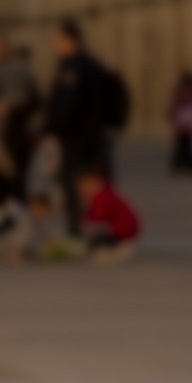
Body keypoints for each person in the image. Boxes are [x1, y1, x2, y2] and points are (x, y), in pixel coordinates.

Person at [43, 19, 125, 234]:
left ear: (69, 40)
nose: (55, 45)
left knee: (76, 184)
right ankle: (101, 228)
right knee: (94, 183)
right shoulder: (86, 63)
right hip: (89, 136)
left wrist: (52, 130)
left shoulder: (76, 66)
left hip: (79, 138)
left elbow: (68, 105)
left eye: (58, 40)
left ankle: (80, 230)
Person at [0, 33, 41, 208]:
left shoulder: (16, 69)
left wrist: (8, 107)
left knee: (15, 182)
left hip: (16, 135)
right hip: (0, 134)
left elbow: (29, 100)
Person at [76, 169, 143, 263]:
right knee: (95, 229)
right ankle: (117, 246)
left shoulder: (100, 195)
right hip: (127, 227)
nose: (83, 191)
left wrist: (87, 219)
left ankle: (114, 247)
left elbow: (101, 213)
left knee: (94, 230)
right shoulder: (107, 192)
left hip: (123, 228)